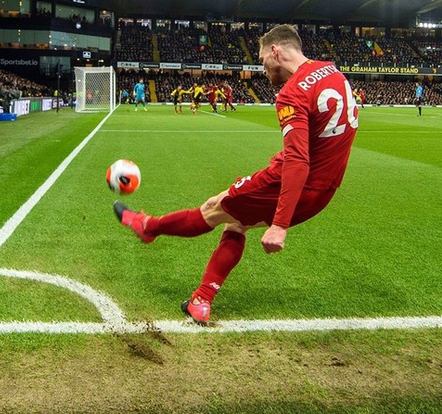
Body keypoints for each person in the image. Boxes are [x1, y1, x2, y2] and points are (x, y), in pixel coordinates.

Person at [113, 24, 359, 325]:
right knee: (238, 222)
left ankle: (148, 227)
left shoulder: (292, 92)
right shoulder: (333, 73)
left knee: (213, 207)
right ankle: (201, 301)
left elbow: (298, 159)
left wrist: (280, 225)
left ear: (275, 51)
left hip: (289, 183)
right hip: (323, 192)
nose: (263, 69)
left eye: (262, 60)